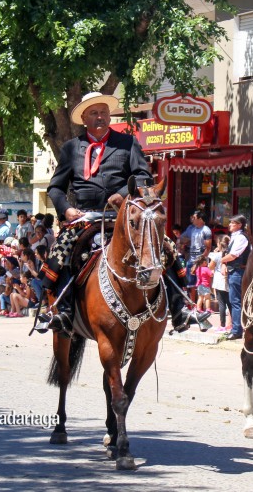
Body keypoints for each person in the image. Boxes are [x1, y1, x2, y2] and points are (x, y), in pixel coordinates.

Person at [38, 92, 151, 335]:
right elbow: (56, 188)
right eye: (94, 113)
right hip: (84, 218)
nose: (100, 117)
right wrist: (66, 210)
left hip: (122, 217)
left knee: (162, 246)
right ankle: (60, 310)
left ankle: (182, 306)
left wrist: (123, 193)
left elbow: (144, 176)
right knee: (62, 254)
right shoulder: (71, 148)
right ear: (84, 118)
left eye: (103, 112)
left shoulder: (128, 143)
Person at [220, 215, 250, 340]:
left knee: (236, 301)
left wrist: (220, 260)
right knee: (234, 301)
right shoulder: (235, 237)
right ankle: (236, 328)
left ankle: (237, 330)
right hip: (234, 271)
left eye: (233, 222)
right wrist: (223, 263)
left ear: (239, 225)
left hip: (238, 271)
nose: (230, 224)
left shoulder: (241, 238)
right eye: (231, 222)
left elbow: (233, 255)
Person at [179, 210, 212, 301]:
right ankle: (192, 304)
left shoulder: (206, 230)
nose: (192, 219)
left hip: (200, 260)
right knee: (190, 284)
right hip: (191, 258)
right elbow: (182, 238)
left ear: (200, 219)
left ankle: (203, 306)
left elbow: (208, 248)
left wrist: (198, 262)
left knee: (202, 284)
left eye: (194, 218)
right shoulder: (192, 229)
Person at [209, 235, 231, 332]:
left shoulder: (217, 255)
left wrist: (214, 254)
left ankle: (222, 325)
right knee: (231, 304)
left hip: (219, 281)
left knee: (222, 304)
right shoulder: (230, 254)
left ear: (219, 244)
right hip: (229, 279)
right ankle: (233, 325)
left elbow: (210, 267)